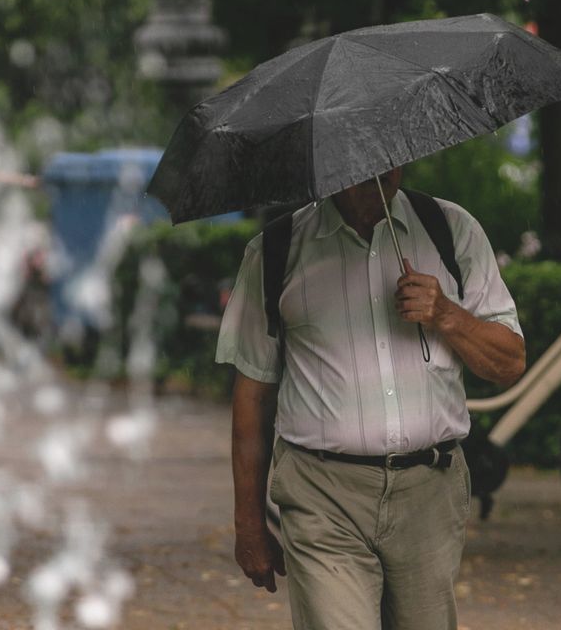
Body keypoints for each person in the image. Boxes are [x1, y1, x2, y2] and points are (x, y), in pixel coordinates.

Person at [216, 167, 525, 630]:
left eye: (388, 163)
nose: (379, 177)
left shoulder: (451, 229)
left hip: (429, 492)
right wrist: (248, 523)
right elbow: (252, 399)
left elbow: (509, 363)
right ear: (331, 165)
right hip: (322, 495)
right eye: (361, 170)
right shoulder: (276, 250)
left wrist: (446, 315)